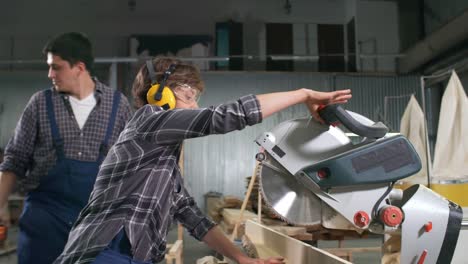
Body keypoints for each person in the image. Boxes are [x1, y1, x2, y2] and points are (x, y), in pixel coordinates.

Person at [55, 57, 352, 264]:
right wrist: (303, 94)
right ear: (160, 95)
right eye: (190, 94)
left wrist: (242, 259)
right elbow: (225, 117)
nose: (196, 104)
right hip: (101, 253)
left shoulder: (161, 162)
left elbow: (192, 216)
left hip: (133, 257)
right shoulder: (148, 122)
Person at [0, 32, 132, 264]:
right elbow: (14, 161)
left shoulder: (118, 106)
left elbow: (131, 167)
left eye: (56, 67)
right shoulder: (40, 104)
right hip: (44, 225)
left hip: (97, 227)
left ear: (79, 67)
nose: (50, 74)